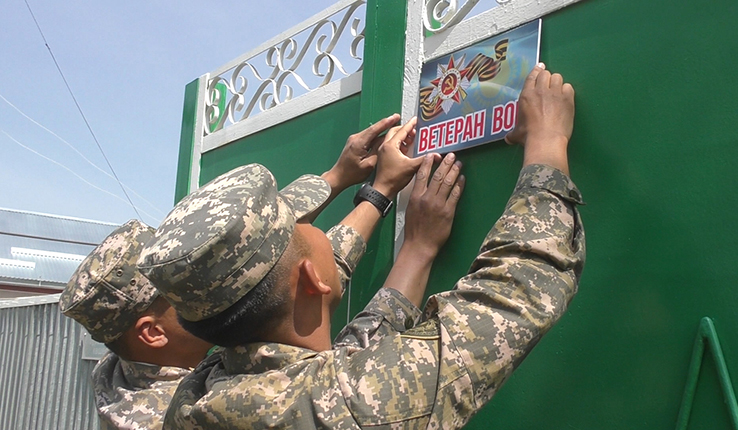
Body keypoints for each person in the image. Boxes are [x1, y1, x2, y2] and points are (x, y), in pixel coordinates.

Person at [139, 62, 585, 429]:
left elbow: (350, 358)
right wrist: (547, 141)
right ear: (314, 279)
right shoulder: (351, 406)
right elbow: (519, 290)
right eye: (305, 230)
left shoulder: (197, 397)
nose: (324, 234)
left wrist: (409, 236)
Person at [58, 114, 412, 430]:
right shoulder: (179, 413)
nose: (207, 278)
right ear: (151, 333)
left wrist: (335, 177)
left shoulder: (122, 367)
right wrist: (379, 195)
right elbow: (299, 283)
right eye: (183, 287)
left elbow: (247, 247)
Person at [59, 219, 214, 430]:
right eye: (183, 289)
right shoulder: (188, 417)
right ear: (153, 333)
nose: (207, 288)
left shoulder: (117, 370)